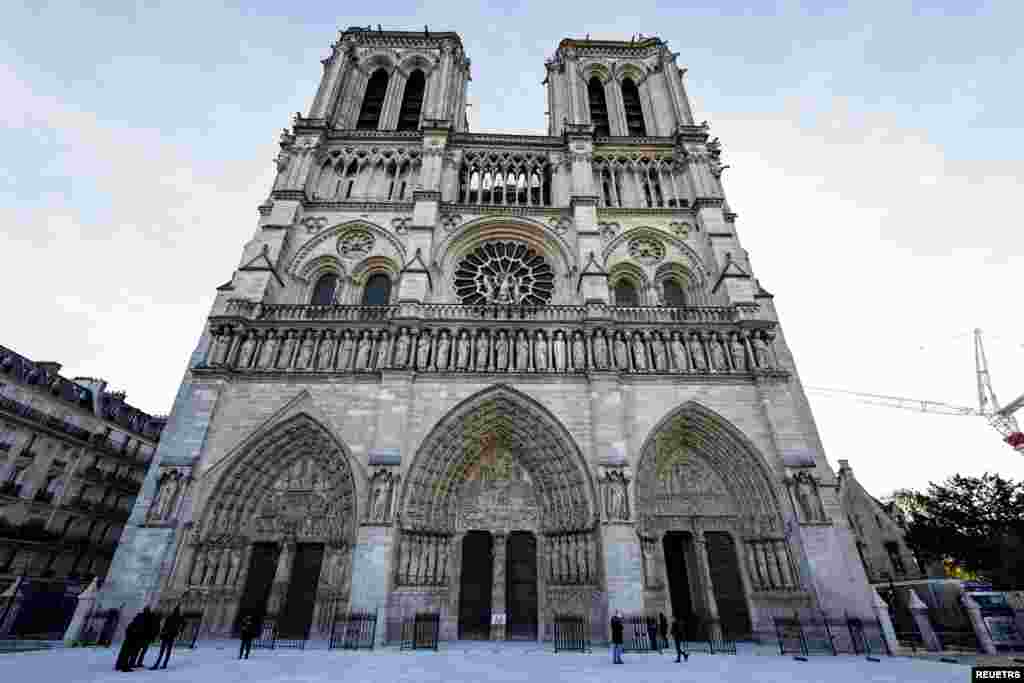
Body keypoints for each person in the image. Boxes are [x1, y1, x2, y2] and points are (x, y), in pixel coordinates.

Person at [150, 606, 184, 670]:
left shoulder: (170, 617)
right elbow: (184, 624)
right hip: (171, 636)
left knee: (162, 652)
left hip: (166, 636)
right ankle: (164, 664)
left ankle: (157, 665)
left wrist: (162, 634)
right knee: (168, 652)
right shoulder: (179, 618)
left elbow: (165, 626)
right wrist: (180, 631)